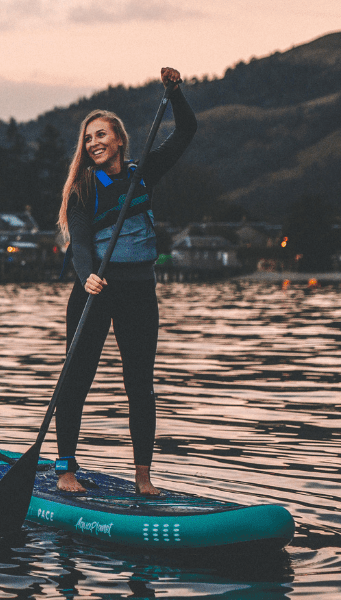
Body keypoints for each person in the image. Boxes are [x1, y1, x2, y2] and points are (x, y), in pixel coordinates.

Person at [53, 67, 195, 497]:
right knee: (76, 378)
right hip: (95, 292)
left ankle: (143, 476)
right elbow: (79, 243)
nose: (94, 142)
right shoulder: (81, 190)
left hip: (139, 292)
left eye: (101, 135)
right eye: (88, 138)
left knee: (140, 383)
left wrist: (175, 94)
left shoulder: (143, 172)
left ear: (119, 139)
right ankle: (65, 469)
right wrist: (87, 276)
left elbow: (187, 130)